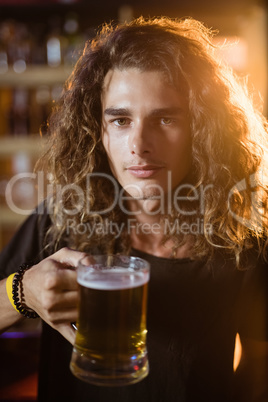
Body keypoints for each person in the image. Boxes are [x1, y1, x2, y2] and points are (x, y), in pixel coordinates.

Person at [0, 16, 267, 402]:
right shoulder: (59, 218)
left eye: (165, 118)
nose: (140, 144)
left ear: (203, 129)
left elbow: (259, 358)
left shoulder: (241, 237)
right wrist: (20, 292)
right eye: (122, 120)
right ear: (98, 131)